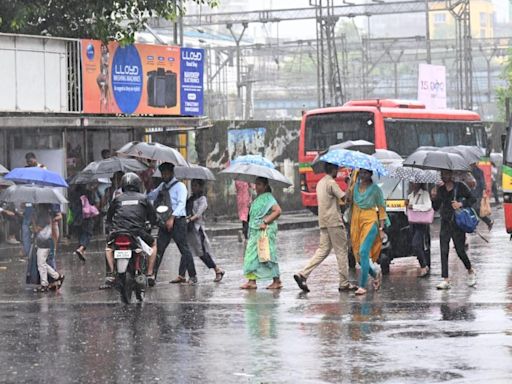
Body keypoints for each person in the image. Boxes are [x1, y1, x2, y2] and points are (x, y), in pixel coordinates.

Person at [294, 162, 355, 293]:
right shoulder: (331, 183)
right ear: (333, 169)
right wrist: (349, 183)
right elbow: (346, 199)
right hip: (334, 221)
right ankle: (344, 283)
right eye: (336, 169)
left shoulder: (321, 183)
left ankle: (303, 274)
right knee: (341, 251)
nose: (337, 171)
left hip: (323, 221)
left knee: (323, 250)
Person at [104, 173, 157, 288]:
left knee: (108, 247)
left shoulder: (117, 199)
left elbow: (109, 217)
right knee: (153, 244)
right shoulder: (143, 198)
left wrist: (110, 229)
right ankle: (149, 274)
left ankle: (111, 274)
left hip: (118, 232)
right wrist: (154, 223)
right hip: (137, 232)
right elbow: (153, 216)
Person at [148, 162, 197, 285]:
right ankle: (152, 275)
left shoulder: (180, 186)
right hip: (164, 222)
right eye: (162, 174)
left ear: (171, 173)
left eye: (166, 173)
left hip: (178, 221)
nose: (164, 176)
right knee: (159, 249)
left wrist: (172, 218)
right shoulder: (162, 186)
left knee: (184, 249)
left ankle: (193, 276)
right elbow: (151, 196)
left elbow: (181, 204)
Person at [431, 170, 477, 290]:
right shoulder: (440, 189)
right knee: (444, 250)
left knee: (460, 251)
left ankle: (470, 270)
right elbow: (435, 207)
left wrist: (461, 204)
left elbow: (473, 199)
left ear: (451, 175)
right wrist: (434, 197)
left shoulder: (460, 187)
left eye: (445, 174)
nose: (443, 176)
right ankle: (445, 279)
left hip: (457, 224)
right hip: (445, 223)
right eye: (441, 174)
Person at [240, 177, 282, 290]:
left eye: (259, 184)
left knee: (267, 256)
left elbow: (278, 211)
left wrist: (265, 221)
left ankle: (277, 280)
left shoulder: (268, 197)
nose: (256, 187)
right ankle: (251, 281)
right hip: (255, 231)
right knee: (252, 256)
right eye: (255, 184)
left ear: (265, 186)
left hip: (264, 231)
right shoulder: (259, 198)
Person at [350, 169, 386, 296]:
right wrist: (350, 181)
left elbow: (381, 209)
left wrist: (381, 229)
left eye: (366, 173)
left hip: (370, 222)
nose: (363, 175)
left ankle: (362, 285)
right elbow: (346, 199)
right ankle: (376, 274)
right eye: (361, 173)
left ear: (370, 174)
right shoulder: (354, 187)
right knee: (359, 257)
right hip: (356, 223)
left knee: (364, 251)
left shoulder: (375, 189)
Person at [186, 179, 225, 282]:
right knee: (186, 252)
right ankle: (186, 275)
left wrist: (190, 219)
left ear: (200, 187)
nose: (193, 188)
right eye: (192, 185)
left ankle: (217, 269)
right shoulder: (190, 199)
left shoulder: (202, 199)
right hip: (188, 229)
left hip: (197, 229)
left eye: (195, 186)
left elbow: (198, 214)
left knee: (202, 253)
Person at [32, 204, 65, 293]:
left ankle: (45, 283)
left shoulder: (44, 215)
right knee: (42, 263)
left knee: (41, 264)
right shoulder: (46, 214)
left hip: (44, 243)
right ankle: (57, 277)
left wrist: (33, 221)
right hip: (44, 242)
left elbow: (36, 229)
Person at [407, 183, 432, 277]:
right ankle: (424, 265)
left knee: (416, 244)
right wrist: (407, 207)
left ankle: (424, 266)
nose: (413, 184)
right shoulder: (410, 195)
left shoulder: (424, 194)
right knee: (416, 246)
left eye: (415, 182)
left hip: (422, 223)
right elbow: (408, 212)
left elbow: (428, 206)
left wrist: (414, 207)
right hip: (413, 223)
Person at [70, 183, 99, 262]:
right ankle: (81, 248)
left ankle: (82, 251)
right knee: (88, 233)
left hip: (77, 217)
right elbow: (92, 203)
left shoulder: (73, 194)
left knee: (81, 234)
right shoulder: (88, 193)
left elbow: (71, 206)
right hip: (86, 217)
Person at [470, 163, 493, 231]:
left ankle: (486, 222)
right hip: (473, 193)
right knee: (474, 210)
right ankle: (488, 222)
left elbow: (481, 181)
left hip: (476, 193)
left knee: (475, 210)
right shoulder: (477, 170)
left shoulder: (475, 171)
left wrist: (483, 190)